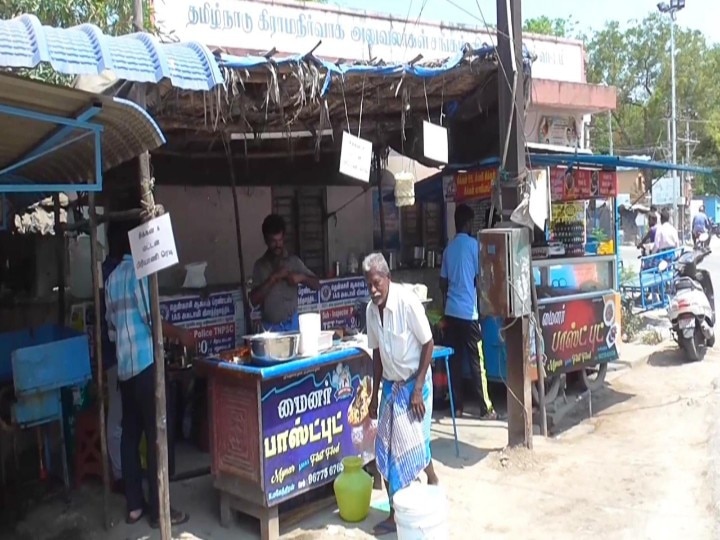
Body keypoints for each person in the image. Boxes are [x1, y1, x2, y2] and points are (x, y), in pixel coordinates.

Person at [105, 219, 194, 528]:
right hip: (146, 366)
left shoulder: (111, 280)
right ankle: (160, 513)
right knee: (158, 437)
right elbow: (151, 319)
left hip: (126, 369)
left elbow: (112, 330)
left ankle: (134, 506)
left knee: (130, 436)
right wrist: (180, 334)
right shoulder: (140, 275)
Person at [363, 253, 438, 537]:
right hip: (391, 387)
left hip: (413, 384)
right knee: (386, 447)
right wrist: (373, 395)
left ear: (387, 278)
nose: (373, 290)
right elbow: (377, 354)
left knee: (413, 443)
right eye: (368, 285)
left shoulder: (406, 302)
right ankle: (401, 506)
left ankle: (404, 508)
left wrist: (418, 388)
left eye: (377, 283)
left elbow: (428, 344)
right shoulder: (372, 311)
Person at [439, 204, 495, 420]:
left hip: (452, 312)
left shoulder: (448, 249)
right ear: (468, 223)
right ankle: (485, 408)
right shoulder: (474, 246)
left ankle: (458, 408)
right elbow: (481, 280)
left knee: (454, 362)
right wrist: (485, 306)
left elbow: (442, 283)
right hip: (469, 314)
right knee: (476, 363)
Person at [250, 214, 320, 332]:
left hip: (293, 325)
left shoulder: (294, 261)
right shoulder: (260, 266)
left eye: (280, 240)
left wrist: (302, 277)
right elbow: (254, 300)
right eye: (273, 241)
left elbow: (317, 285)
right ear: (266, 240)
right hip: (270, 329)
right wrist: (274, 278)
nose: (277, 245)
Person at [101, 226, 124, 493]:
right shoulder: (113, 274)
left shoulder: (109, 272)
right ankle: (119, 474)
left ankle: (122, 471)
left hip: (118, 356)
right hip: (117, 356)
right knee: (118, 419)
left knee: (122, 419)